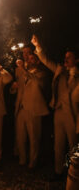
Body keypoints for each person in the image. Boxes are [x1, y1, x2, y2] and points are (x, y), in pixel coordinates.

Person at [31, 35, 79, 179]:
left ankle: (73, 174)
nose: (65, 59)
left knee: (73, 146)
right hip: (58, 112)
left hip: (73, 115)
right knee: (58, 144)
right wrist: (37, 46)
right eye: (65, 57)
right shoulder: (59, 69)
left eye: (69, 57)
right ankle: (58, 171)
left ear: (76, 60)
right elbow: (45, 60)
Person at [12, 54, 50, 169]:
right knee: (20, 137)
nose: (28, 59)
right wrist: (13, 88)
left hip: (34, 109)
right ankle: (22, 160)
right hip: (21, 108)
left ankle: (33, 162)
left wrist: (23, 69)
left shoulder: (42, 74)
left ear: (38, 61)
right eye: (27, 58)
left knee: (34, 138)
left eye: (32, 58)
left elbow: (37, 83)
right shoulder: (22, 73)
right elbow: (19, 88)